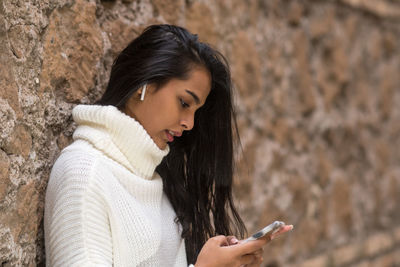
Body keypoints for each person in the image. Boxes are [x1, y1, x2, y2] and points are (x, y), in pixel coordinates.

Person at [44, 24, 292, 267]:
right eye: (184, 103)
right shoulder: (84, 175)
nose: (190, 124)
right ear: (144, 85)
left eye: (197, 111)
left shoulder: (155, 181)